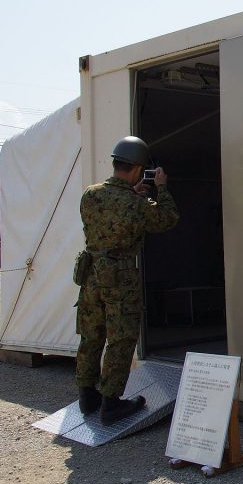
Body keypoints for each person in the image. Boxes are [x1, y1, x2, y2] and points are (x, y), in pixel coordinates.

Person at [75, 136, 179, 425]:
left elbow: (111, 211)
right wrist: (161, 187)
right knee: (121, 339)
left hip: (91, 274)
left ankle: (87, 395)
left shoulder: (90, 194)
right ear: (136, 169)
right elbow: (168, 218)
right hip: (120, 277)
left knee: (91, 334)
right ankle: (111, 403)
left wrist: (133, 193)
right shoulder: (136, 203)